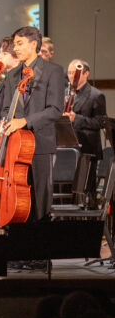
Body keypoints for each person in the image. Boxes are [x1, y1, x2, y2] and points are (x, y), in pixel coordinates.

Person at [0, 26, 65, 223]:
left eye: (19, 43)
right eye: (14, 44)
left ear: (34, 44)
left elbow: (54, 110)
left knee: (40, 198)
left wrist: (25, 121)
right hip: (15, 145)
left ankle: (41, 249)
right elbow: (6, 108)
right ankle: (19, 244)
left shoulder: (53, 71)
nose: (15, 48)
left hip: (40, 144)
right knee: (18, 200)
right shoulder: (12, 75)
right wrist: (7, 121)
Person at [63, 59, 106, 207]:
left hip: (87, 149)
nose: (70, 76)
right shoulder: (65, 92)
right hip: (66, 147)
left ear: (86, 73)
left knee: (86, 191)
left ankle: (89, 224)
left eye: (74, 73)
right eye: (68, 72)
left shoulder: (96, 95)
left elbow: (100, 122)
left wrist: (76, 118)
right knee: (66, 189)